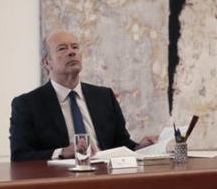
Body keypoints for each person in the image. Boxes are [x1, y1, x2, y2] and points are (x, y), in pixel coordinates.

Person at [9, 30, 158, 161]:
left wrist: (140, 147)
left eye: (75, 47)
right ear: (47, 63)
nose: (71, 52)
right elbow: (20, 155)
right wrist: (61, 153)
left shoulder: (104, 96)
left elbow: (121, 143)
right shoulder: (27, 104)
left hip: (106, 179)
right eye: (62, 49)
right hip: (59, 183)